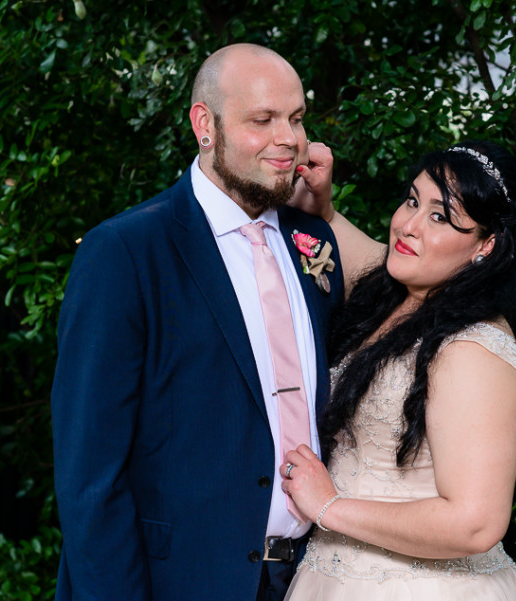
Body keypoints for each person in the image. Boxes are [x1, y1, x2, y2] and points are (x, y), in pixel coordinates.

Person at [50, 43, 344, 601]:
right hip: (176, 582)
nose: (289, 139)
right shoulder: (126, 253)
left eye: (297, 118)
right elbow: (90, 477)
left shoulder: (314, 243)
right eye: (263, 120)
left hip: (312, 579)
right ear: (205, 125)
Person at [283, 140, 516, 599]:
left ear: (486, 244)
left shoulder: (473, 349)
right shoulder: (403, 292)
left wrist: (330, 507)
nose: (408, 226)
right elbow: (362, 251)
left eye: (440, 217)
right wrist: (324, 210)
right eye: (412, 201)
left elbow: (476, 523)